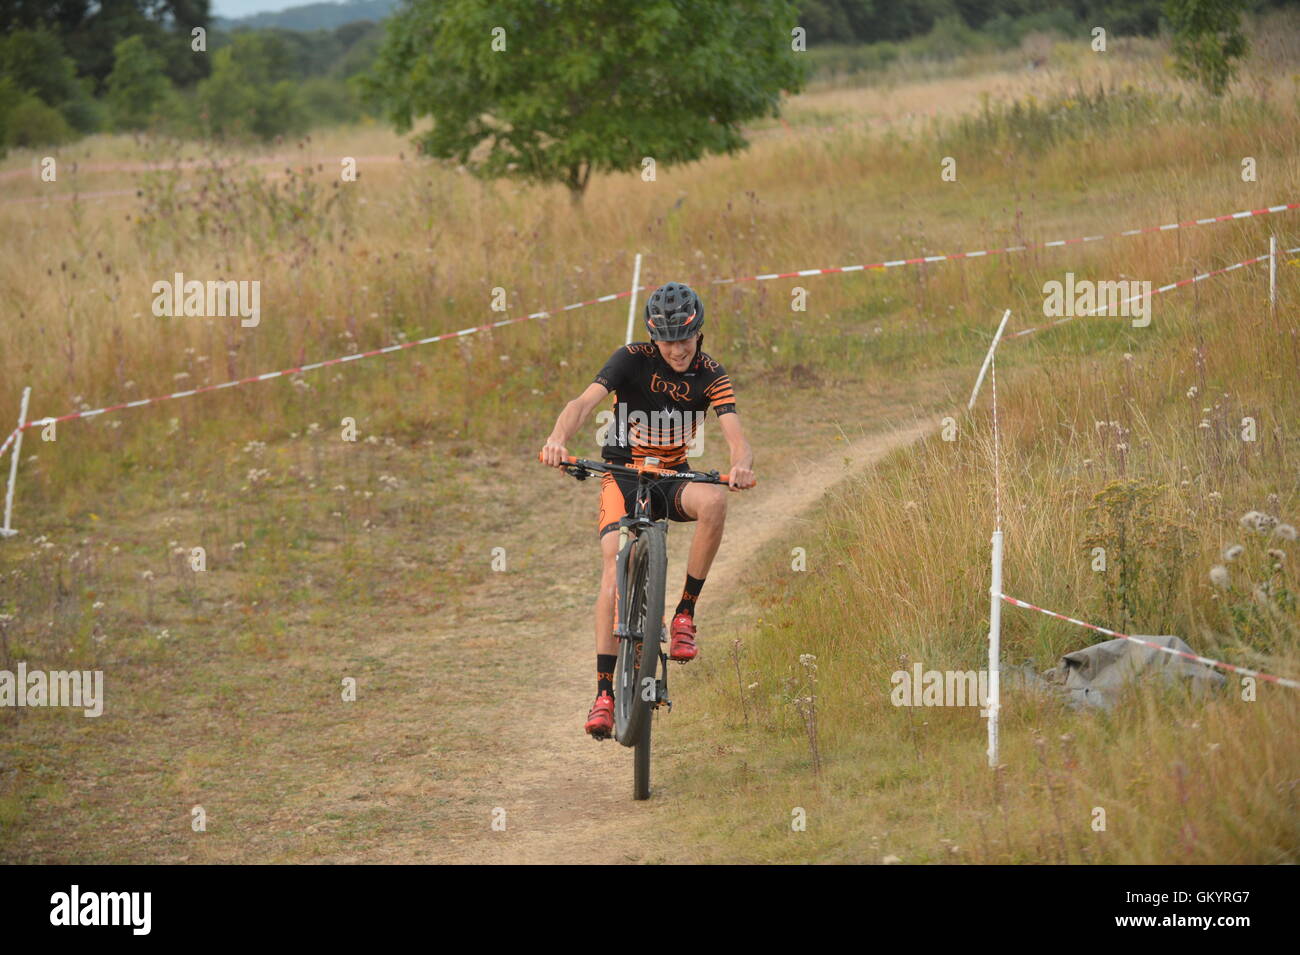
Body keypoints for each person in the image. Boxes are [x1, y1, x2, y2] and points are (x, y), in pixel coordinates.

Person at [540, 281, 756, 738]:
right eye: (668, 338)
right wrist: (558, 439)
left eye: (685, 337)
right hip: (622, 472)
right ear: (653, 336)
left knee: (714, 501)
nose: (677, 348)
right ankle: (604, 692)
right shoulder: (631, 358)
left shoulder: (711, 374)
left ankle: (683, 616)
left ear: (699, 331)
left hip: (671, 477)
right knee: (613, 560)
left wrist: (740, 467)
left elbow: (736, 437)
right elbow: (582, 403)